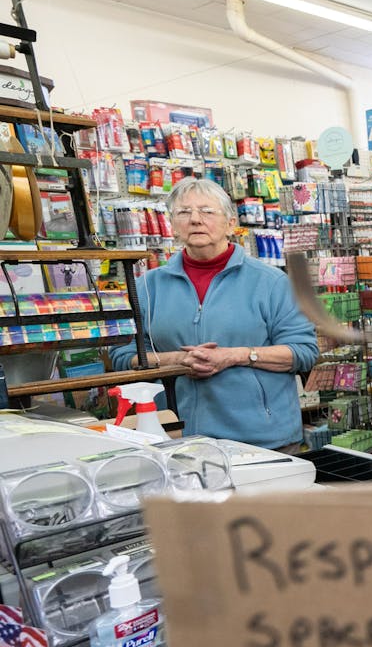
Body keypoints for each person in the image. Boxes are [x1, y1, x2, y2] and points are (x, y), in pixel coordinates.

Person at [111, 177, 317, 452]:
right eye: (184, 212)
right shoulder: (147, 287)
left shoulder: (271, 282)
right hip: (177, 438)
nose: (195, 220)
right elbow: (123, 356)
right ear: (173, 225)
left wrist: (233, 356)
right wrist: (178, 360)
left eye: (207, 211)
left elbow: (303, 351)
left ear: (231, 223)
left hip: (263, 440)